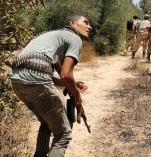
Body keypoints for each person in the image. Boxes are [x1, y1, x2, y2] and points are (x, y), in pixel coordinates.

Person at [10, 15, 92, 157]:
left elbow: (48, 72)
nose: (89, 27)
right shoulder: (74, 38)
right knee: (63, 134)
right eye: (85, 22)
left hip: (17, 80)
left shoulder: (51, 36)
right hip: (37, 80)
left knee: (47, 123)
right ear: (72, 23)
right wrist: (77, 96)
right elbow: (66, 74)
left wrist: (72, 83)